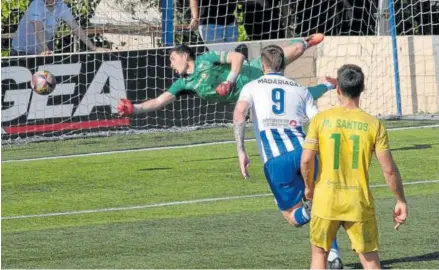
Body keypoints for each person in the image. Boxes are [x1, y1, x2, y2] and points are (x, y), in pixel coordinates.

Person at [232, 45, 342, 269]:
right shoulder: (299, 89)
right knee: (318, 202)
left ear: (263, 65)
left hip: (277, 159)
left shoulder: (252, 87)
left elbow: (239, 114)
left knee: (294, 217)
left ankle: (315, 214)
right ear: (284, 65)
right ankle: (333, 256)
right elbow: (319, 122)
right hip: (307, 153)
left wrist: (241, 150)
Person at [300, 64, 408, 269]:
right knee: (370, 261)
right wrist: (400, 200)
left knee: (319, 256)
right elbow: (389, 169)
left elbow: (306, 160)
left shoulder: (321, 120)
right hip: (358, 202)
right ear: (363, 88)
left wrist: (308, 187)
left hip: (326, 200)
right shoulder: (374, 125)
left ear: (338, 89)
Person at [117, 33, 334, 116]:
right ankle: (327, 85)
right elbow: (158, 101)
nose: (171, 65)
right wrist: (134, 108)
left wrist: (229, 82)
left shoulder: (205, 59)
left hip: (257, 68)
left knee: (295, 50)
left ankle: (305, 40)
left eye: (173, 59)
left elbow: (237, 58)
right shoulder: (183, 83)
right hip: (254, 94)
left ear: (185, 55)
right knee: (299, 96)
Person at [11, 0, 96, 56]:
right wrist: (45, 50)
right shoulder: (36, 4)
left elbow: (76, 27)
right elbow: (38, 28)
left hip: (39, 52)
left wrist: (93, 48)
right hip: (20, 51)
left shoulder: (61, 6)